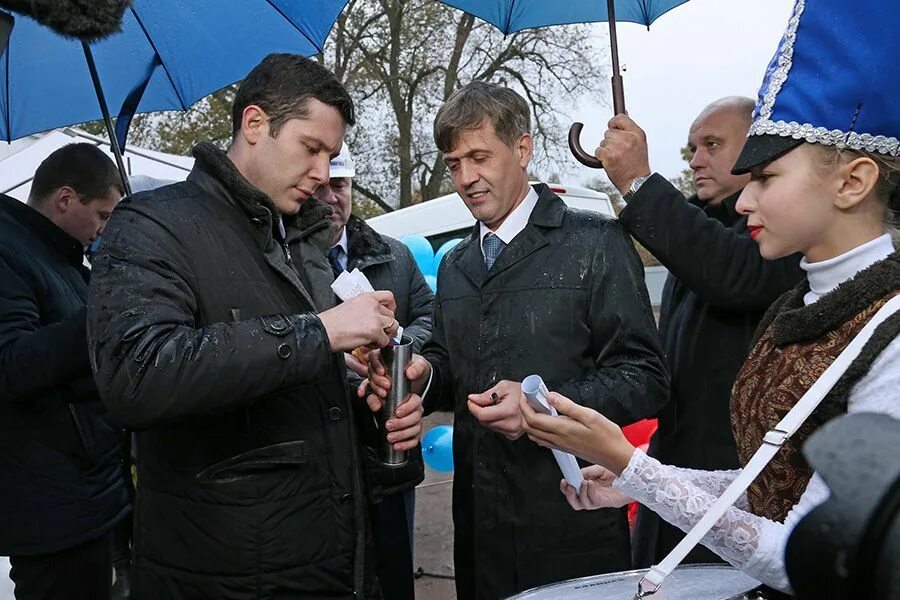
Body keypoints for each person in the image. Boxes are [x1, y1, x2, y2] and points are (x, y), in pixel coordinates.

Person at [521, 0, 900, 594]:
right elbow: (778, 482)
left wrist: (633, 465)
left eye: (767, 177)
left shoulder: (890, 338)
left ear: (853, 182)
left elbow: (810, 547)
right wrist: (637, 477)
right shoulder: (801, 307)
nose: (745, 200)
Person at [87, 54, 424, 599]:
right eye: (310, 148)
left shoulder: (303, 241)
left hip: (332, 564)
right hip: (223, 574)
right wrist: (321, 333)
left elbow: (301, 384)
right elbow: (135, 374)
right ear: (254, 124)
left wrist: (368, 395)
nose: (322, 173)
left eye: (331, 155)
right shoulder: (149, 225)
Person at [365, 81, 669, 599]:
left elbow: (645, 378)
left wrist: (537, 407)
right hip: (479, 533)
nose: (466, 178)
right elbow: (450, 363)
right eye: (454, 163)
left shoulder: (595, 243)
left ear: (523, 148)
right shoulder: (457, 264)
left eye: (479, 157)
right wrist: (420, 376)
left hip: (572, 524)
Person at [599, 97, 805, 565]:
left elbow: (733, 272)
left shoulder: (780, 236)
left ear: (760, 151)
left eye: (713, 144)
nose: (696, 160)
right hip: (675, 480)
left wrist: (638, 182)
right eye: (692, 148)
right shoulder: (698, 235)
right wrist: (646, 468)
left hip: (740, 507)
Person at [0, 143, 128, 600]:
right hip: (51, 509)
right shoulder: (8, 249)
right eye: (102, 215)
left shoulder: (64, 256)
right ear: (66, 199)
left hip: (91, 491)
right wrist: (103, 314)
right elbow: (11, 363)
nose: (103, 229)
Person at [316, 149, 433, 600]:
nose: (330, 198)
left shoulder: (395, 256)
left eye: (340, 186)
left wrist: (399, 349)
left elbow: (428, 319)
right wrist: (337, 352)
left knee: (393, 574)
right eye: (322, 186)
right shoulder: (283, 262)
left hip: (390, 454)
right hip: (327, 461)